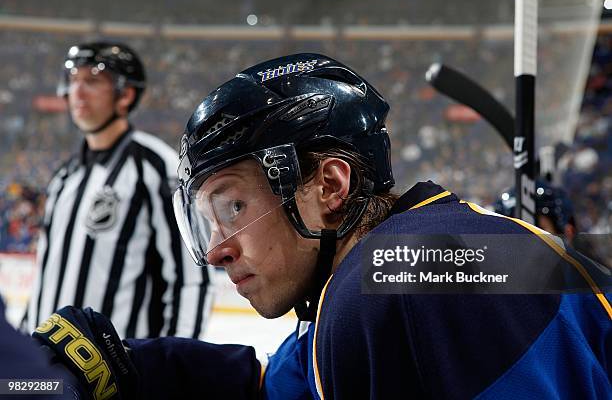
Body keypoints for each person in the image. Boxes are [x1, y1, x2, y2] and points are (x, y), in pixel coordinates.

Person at [32, 53, 611, 399]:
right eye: (206, 219)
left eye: (233, 207)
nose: (216, 251)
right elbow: (280, 385)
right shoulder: (401, 266)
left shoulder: (398, 283)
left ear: (330, 187)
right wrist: (131, 369)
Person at [23, 41, 213, 339]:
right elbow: (46, 277)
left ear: (125, 95)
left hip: (116, 378)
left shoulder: (156, 168)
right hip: (47, 368)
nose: (78, 91)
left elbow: (190, 280)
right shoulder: (64, 177)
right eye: (74, 81)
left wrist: (171, 368)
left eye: (93, 81)